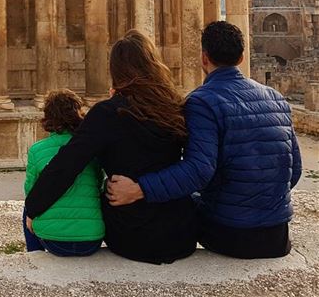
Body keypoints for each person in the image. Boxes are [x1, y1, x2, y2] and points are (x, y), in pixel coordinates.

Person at [106, 21, 302, 259]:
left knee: (171, 210)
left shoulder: (203, 102)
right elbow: (294, 170)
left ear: (204, 58)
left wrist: (140, 190)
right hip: (277, 236)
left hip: (230, 234)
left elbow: (198, 170)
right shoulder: (276, 98)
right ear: (241, 57)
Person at [25, 30, 197, 264]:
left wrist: (33, 208)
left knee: (31, 205)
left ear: (115, 70)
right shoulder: (177, 108)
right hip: (181, 235)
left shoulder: (107, 114)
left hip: (132, 237)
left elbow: (66, 166)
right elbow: (195, 166)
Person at [23, 89, 105, 256]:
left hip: (53, 241)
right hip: (92, 240)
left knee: (28, 206)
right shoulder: (92, 149)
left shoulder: (37, 150)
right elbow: (98, 182)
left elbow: (31, 190)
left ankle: (34, 253)